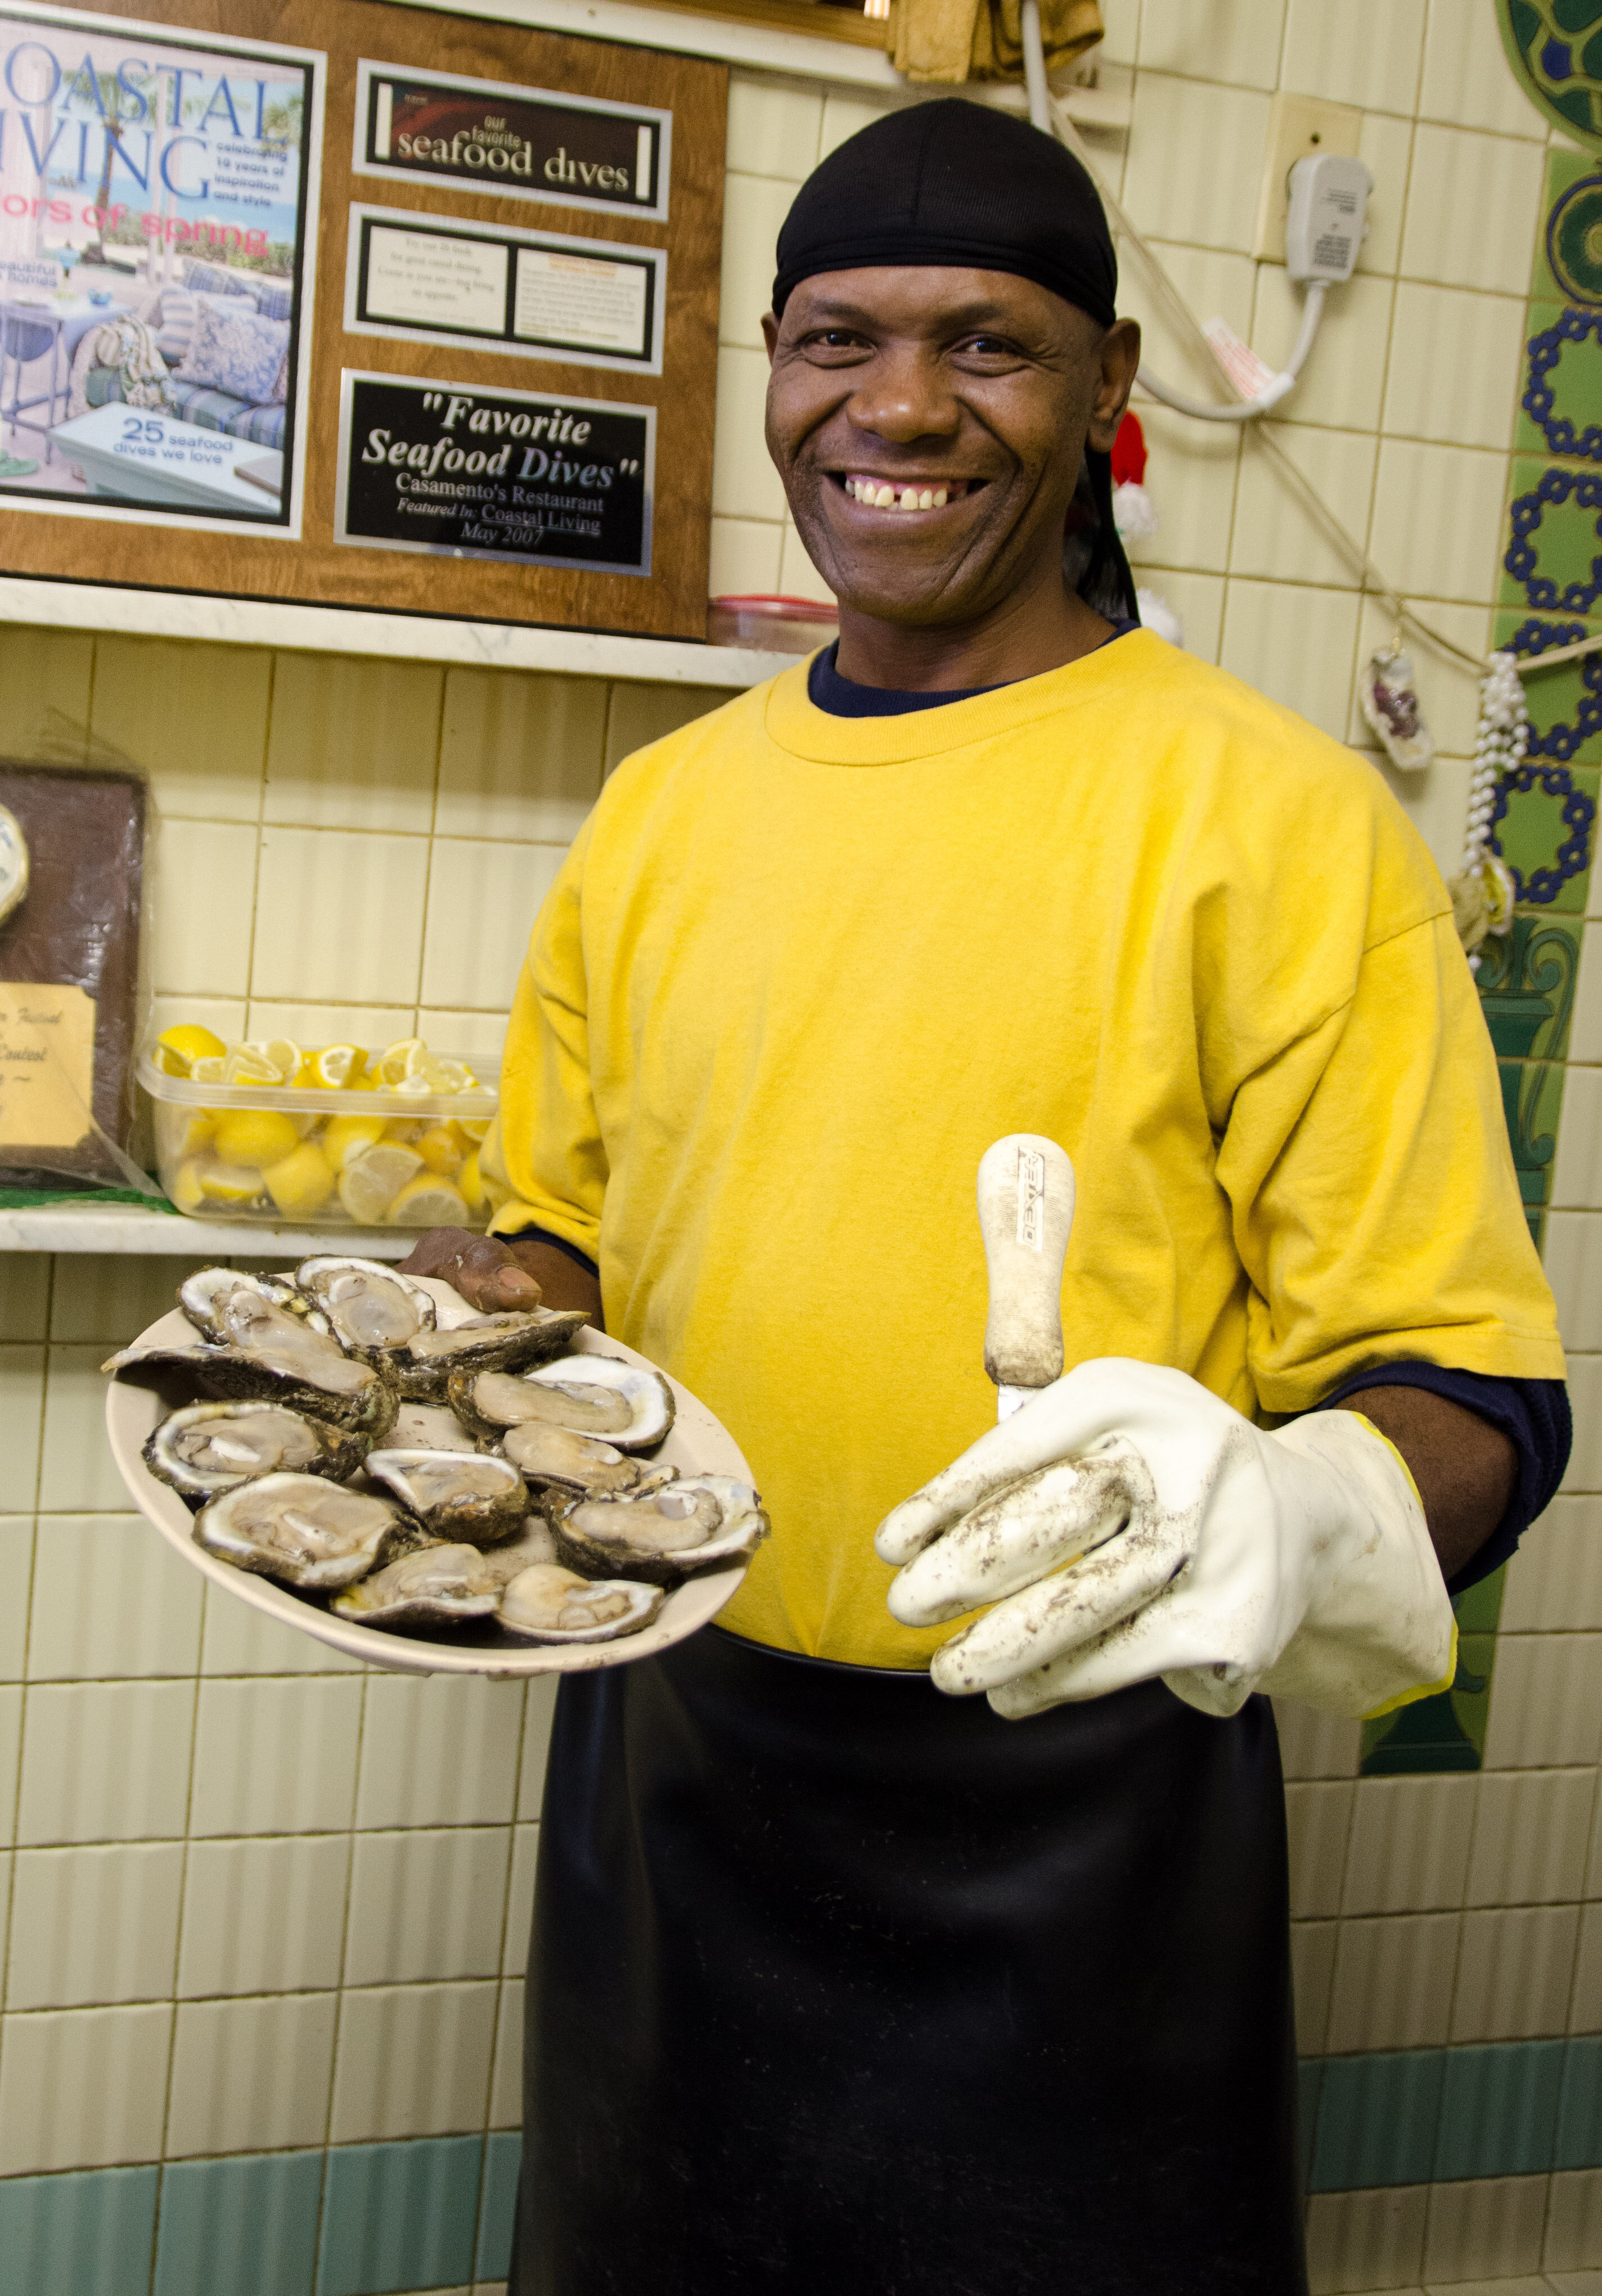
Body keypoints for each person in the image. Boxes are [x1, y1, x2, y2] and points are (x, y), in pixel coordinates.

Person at [404, 99, 1569, 2295]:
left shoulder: (1278, 830)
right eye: (837, 339)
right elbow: (566, 1238)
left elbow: (1472, 1399)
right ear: (769, 365)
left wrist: (1285, 1510)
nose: (901, 407)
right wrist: (473, 1316)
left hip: (1085, 1806)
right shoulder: (659, 821)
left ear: (1111, 390)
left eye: (989, 344)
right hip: (671, 1763)